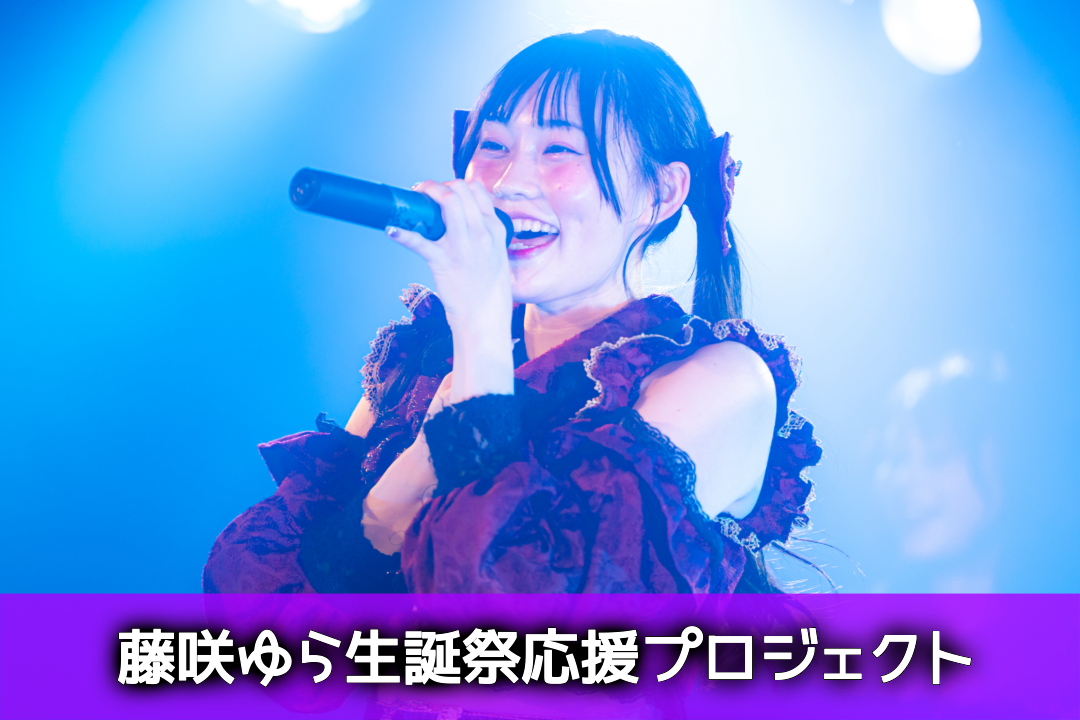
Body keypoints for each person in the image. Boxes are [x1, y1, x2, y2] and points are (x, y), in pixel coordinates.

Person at [203, 29, 821, 594]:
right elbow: (251, 603)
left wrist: (477, 342)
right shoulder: (429, 360)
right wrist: (415, 469)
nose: (506, 184)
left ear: (661, 194)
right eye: (493, 145)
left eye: (559, 149)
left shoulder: (720, 382)